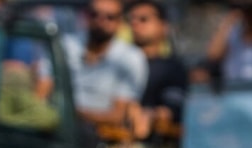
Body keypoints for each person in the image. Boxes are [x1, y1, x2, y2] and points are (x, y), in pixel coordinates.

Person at [65, 0, 149, 140]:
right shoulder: (66, 45)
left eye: (110, 17)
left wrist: (72, 113)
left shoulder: (130, 58)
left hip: (99, 139)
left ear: (120, 22)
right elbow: (43, 90)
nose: (100, 21)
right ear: (86, 16)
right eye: (94, 14)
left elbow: (118, 115)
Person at [127, 0, 187, 129]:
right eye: (131, 20)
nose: (135, 24)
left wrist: (148, 116)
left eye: (144, 19)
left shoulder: (172, 68)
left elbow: (171, 110)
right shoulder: (118, 62)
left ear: (163, 26)